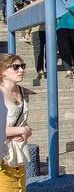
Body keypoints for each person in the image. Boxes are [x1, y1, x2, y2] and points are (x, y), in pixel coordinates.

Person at [0, 54, 32, 191]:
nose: (21, 70)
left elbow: (21, 121)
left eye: (22, 66)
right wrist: (21, 130)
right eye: (15, 67)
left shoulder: (21, 91)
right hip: (3, 158)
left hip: (18, 155)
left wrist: (27, 130)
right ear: (3, 72)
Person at [26, 0, 56, 79]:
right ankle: (50, 68)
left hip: (37, 27)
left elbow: (32, 8)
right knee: (50, 49)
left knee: (38, 50)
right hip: (51, 26)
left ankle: (40, 69)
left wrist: (27, 30)